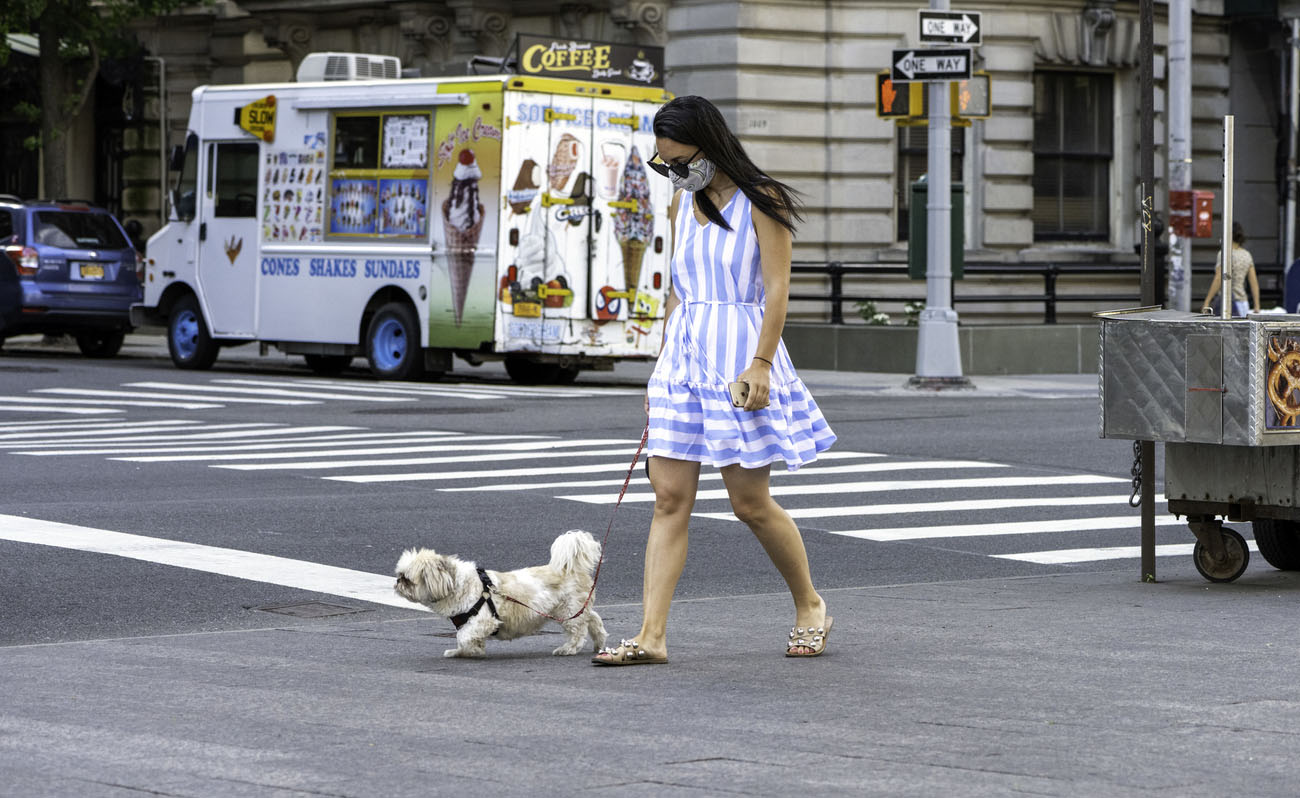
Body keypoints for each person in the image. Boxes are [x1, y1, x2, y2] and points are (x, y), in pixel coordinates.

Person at [592, 96, 837, 666]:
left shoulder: (762, 199)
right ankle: (651, 637)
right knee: (669, 498)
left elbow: (777, 290)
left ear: (712, 143)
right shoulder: (684, 204)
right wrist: (662, 363)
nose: (675, 174)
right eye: (666, 166)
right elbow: (679, 288)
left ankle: (810, 604)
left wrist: (762, 363)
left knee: (749, 502)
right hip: (683, 359)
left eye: (681, 162)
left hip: (740, 356)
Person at [1201, 221, 1259, 317]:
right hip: (1243, 303)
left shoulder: (1224, 254)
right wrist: (1257, 306)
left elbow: (1218, 278)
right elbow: (1254, 283)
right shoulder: (1246, 255)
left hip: (1227, 303)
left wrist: (1207, 302)